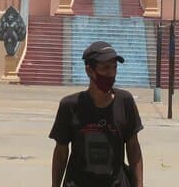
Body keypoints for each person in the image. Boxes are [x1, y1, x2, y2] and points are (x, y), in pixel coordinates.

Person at [50, 41, 144, 187]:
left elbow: (133, 147)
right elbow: (61, 152)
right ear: (89, 70)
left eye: (114, 67)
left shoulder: (125, 102)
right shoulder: (70, 106)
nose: (111, 73)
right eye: (105, 68)